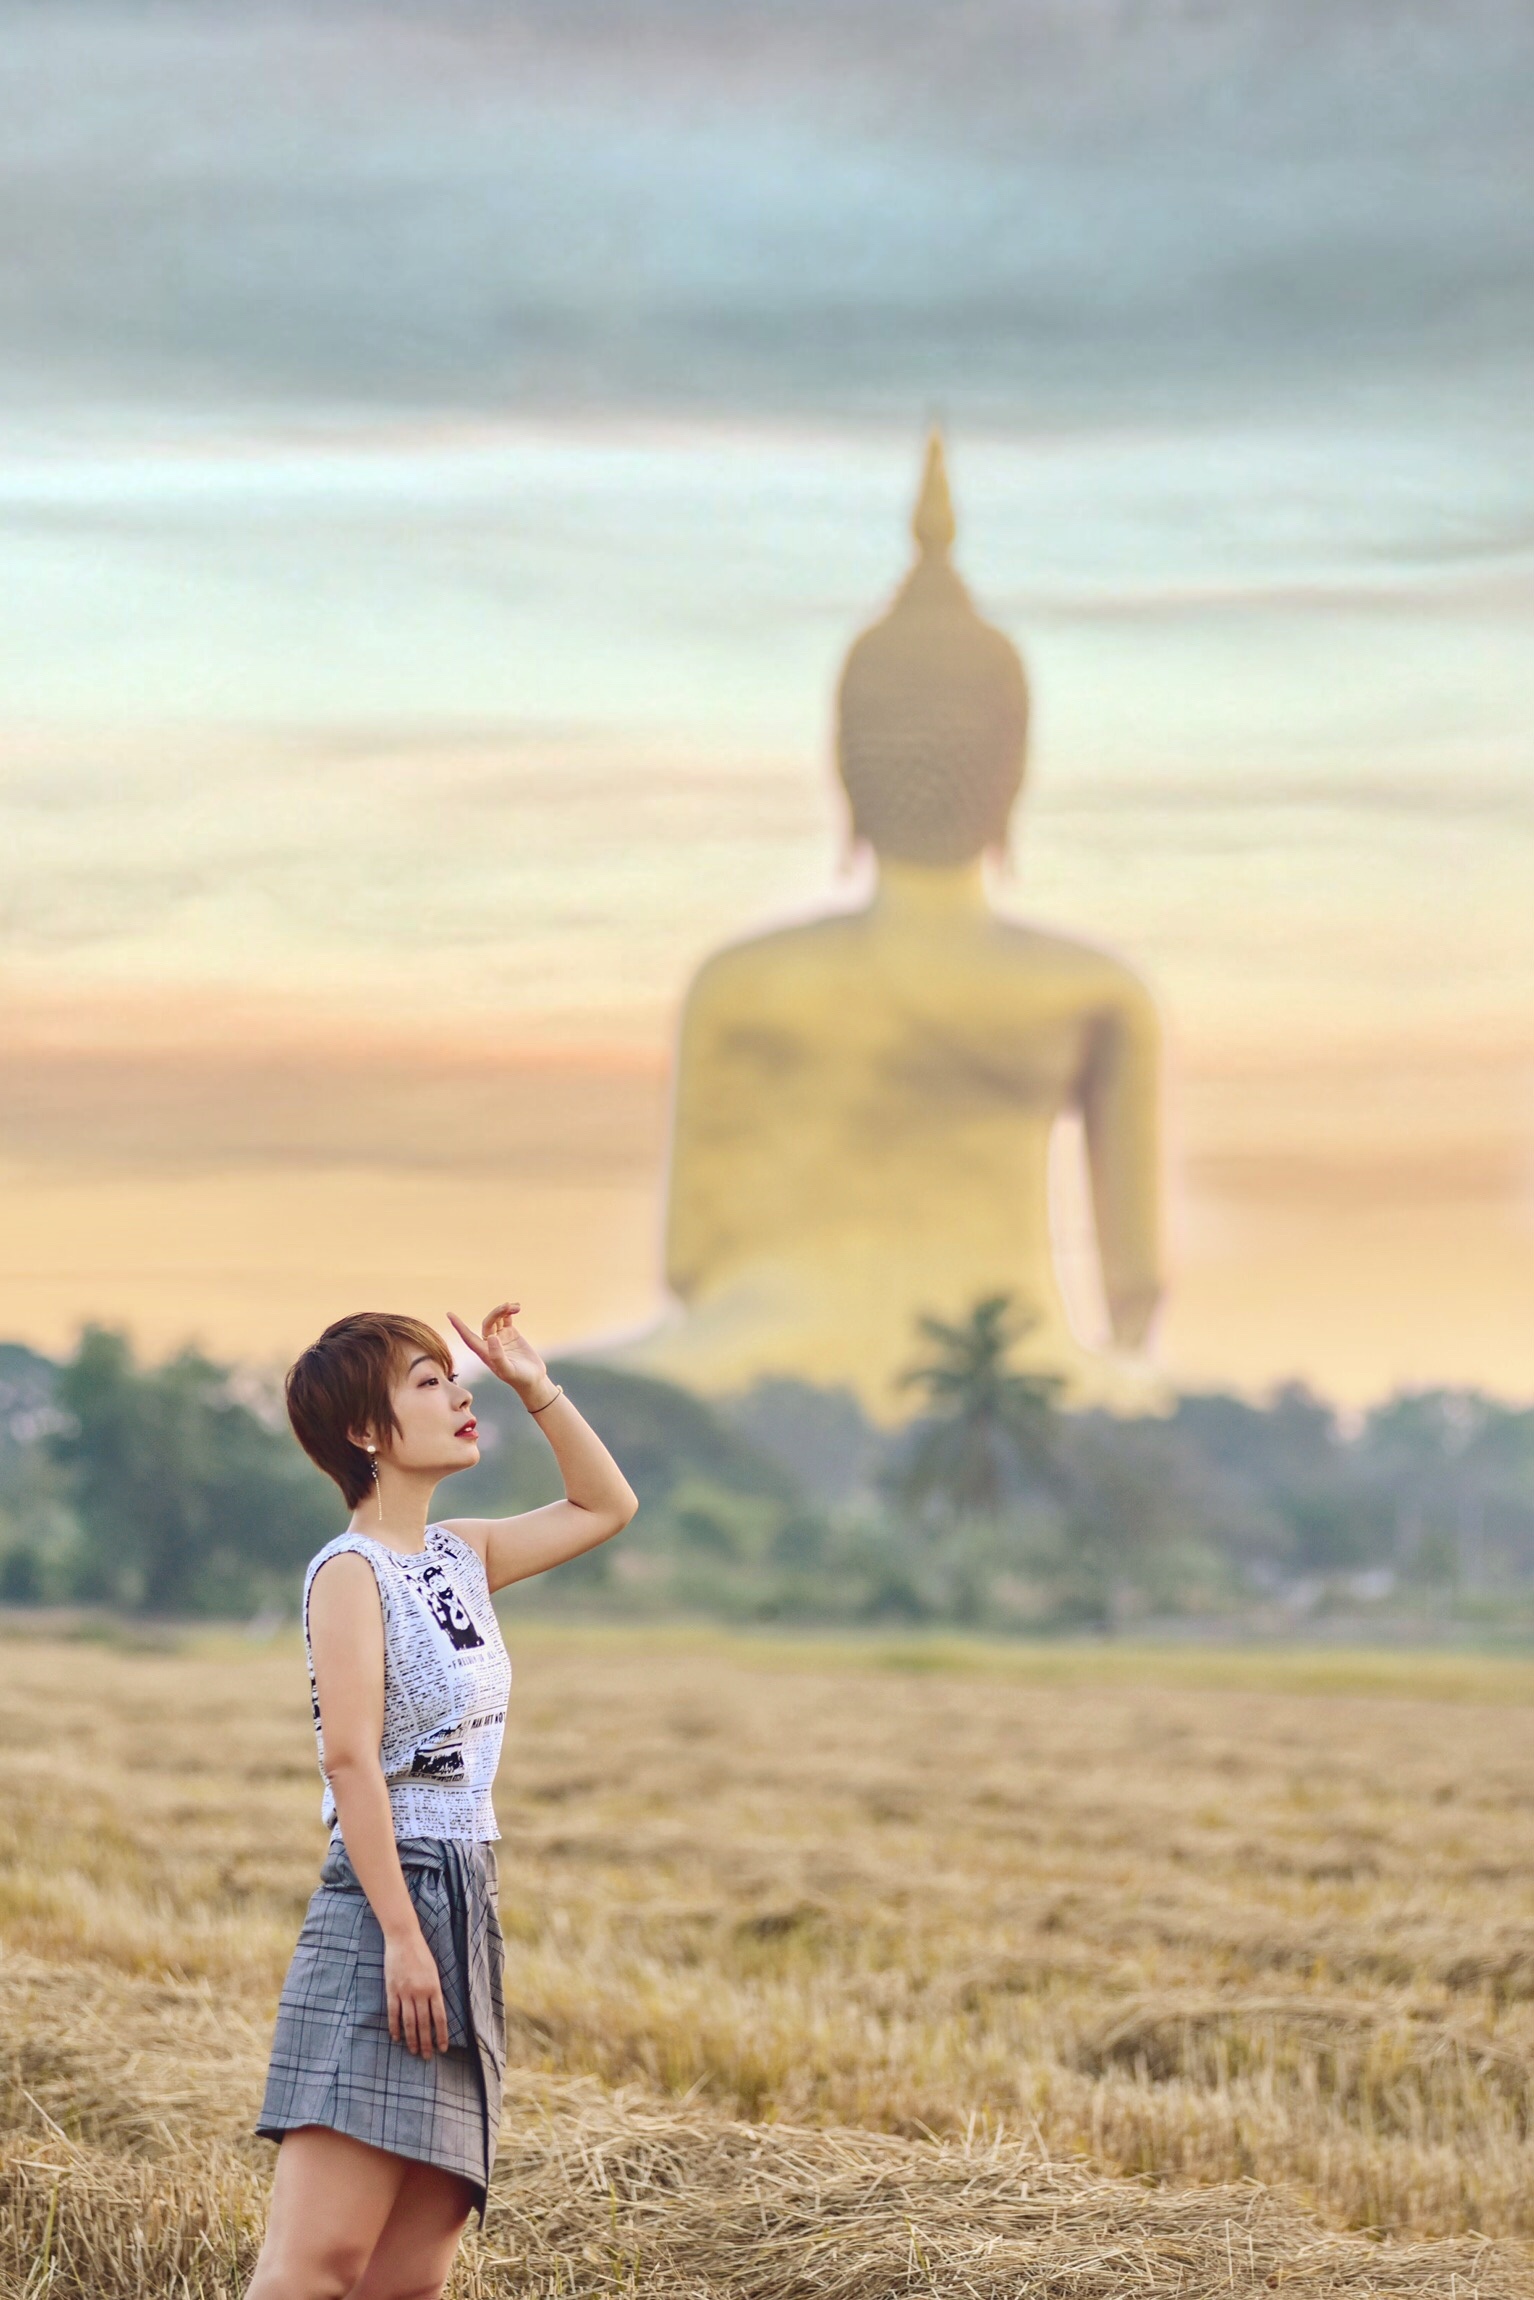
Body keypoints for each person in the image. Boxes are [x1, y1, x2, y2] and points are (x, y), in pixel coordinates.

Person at [246, 1300, 637, 2300]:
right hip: (387, 1898)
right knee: (316, 2265)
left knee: (407, 2274)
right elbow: (348, 1760)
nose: (459, 1394)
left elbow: (605, 1506)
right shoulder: (349, 1570)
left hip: (468, 1893)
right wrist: (400, 1933)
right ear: (366, 1432)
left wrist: (533, 1384)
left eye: (452, 1376)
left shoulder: (461, 1555)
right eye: (428, 1381)